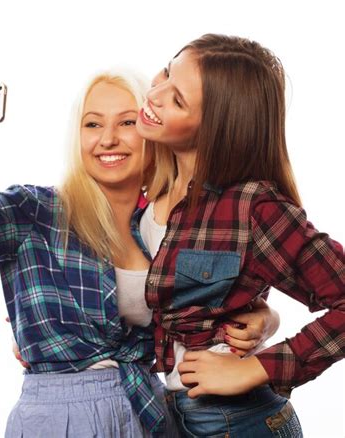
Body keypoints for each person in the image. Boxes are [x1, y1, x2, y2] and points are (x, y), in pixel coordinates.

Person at [0, 69, 279, 437]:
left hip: (152, 411)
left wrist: (265, 317)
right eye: (92, 124)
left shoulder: (171, 225)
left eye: (126, 122)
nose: (107, 139)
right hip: (60, 419)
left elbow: (217, 307)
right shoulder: (35, 211)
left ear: (150, 129)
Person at [134, 33, 344, 437]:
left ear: (215, 128)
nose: (155, 94)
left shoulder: (254, 207)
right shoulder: (148, 183)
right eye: (165, 72)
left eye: (177, 100)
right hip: (168, 414)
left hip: (239, 421)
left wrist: (258, 367)